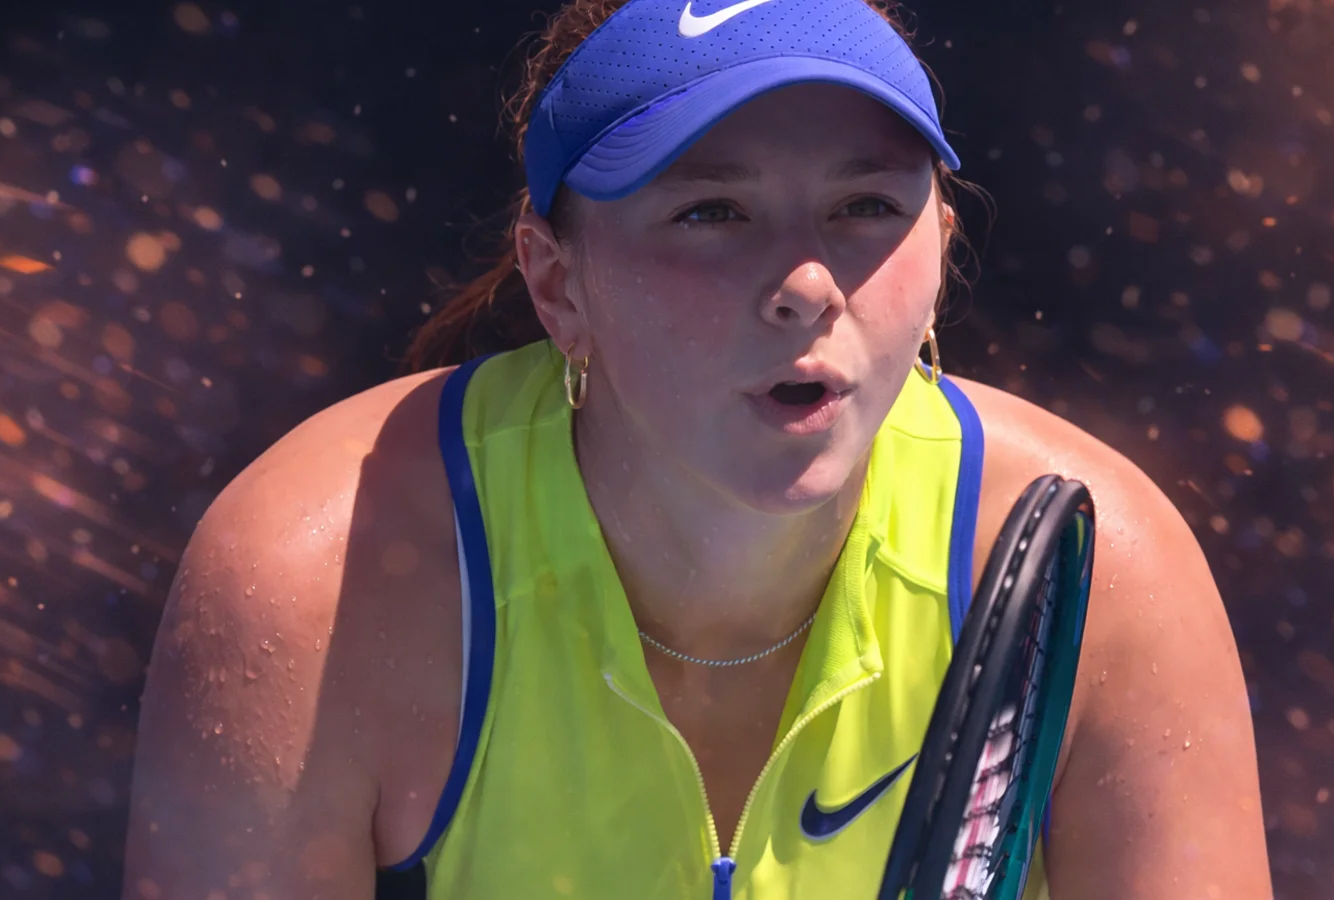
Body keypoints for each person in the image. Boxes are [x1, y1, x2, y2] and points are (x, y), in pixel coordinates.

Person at [124, 0, 1274, 897]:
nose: (807, 284)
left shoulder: (1110, 567)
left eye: (867, 205)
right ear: (554, 280)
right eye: (710, 212)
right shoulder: (316, 583)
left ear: (942, 247)